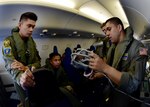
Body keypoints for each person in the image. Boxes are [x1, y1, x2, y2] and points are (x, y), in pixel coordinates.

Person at [89, 17, 148, 107]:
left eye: (109, 29)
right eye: (105, 31)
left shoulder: (139, 47)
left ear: (119, 28)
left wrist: (104, 67)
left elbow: (134, 84)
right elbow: (114, 68)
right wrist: (100, 73)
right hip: (114, 92)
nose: (107, 34)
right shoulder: (113, 48)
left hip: (130, 99)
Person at [2, 12, 41, 107]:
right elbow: (11, 65)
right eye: (29, 26)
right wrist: (22, 79)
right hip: (19, 79)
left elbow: (38, 62)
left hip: (33, 75)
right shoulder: (8, 42)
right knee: (26, 102)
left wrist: (25, 67)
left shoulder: (32, 42)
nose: (31, 29)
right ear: (20, 25)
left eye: (33, 27)